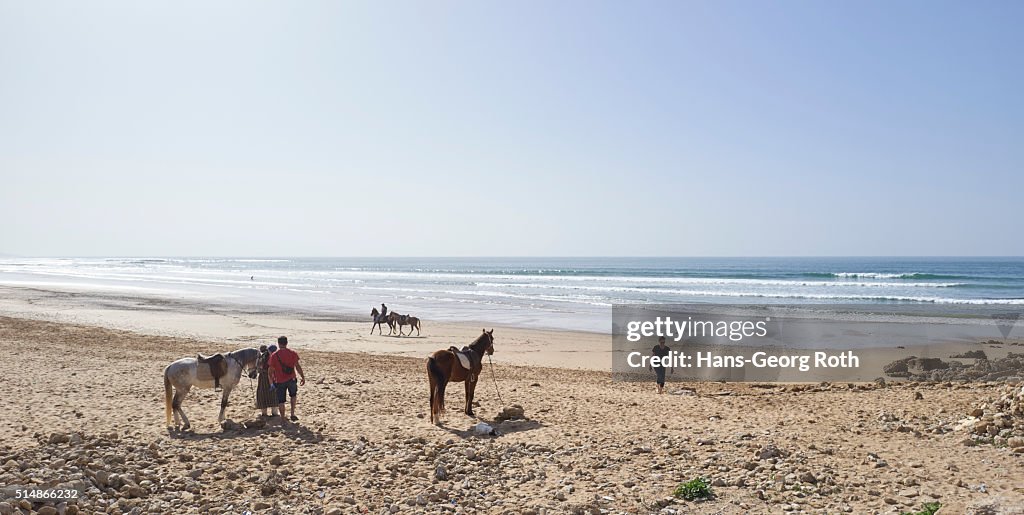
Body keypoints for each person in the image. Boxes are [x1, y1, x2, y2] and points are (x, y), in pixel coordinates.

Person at [269, 336, 305, 421]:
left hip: (279, 380)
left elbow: (270, 370)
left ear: (278, 344)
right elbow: (297, 366)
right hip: (291, 378)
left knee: (281, 400)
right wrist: (302, 377)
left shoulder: (274, 355)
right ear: (287, 343)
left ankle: (282, 418)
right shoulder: (293, 353)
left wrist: (271, 382)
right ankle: (292, 413)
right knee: (293, 395)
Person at [254, 345, 279, 418]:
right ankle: (274, 413)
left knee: (262, 393)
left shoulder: (263, 357)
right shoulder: (275, 356)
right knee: (274, 394)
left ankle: (264, 413)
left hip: (264, 377)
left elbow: (258, 367)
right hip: (273, 377)